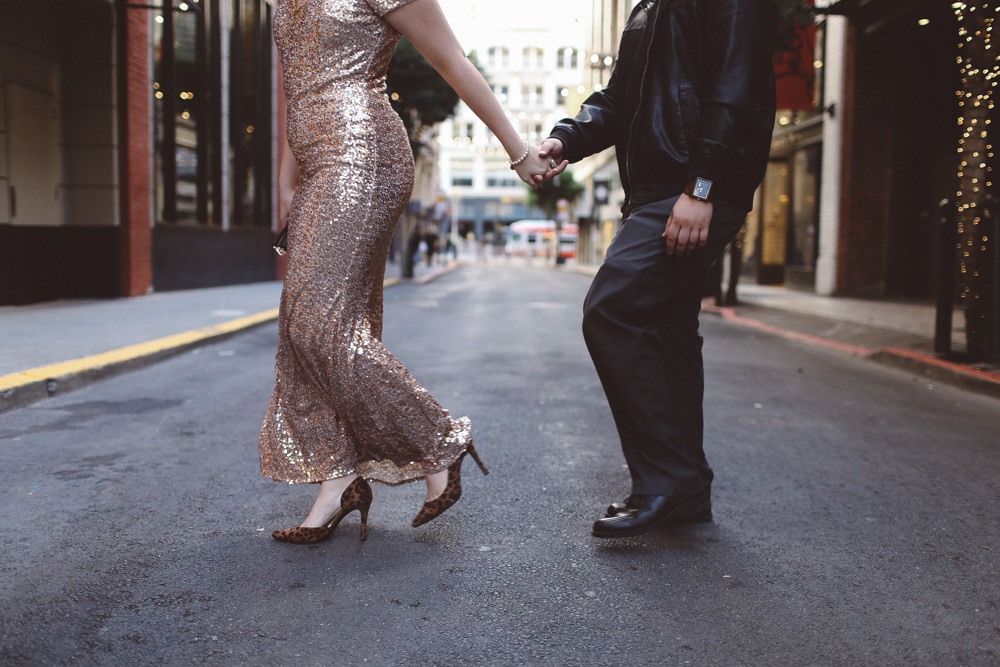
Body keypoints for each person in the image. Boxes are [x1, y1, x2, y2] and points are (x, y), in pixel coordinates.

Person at [260, 0, 566, 544]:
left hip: (364, 156)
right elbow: (298, 87)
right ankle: (338, 484)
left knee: (318, 323)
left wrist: (517, 152)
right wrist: (287, 182)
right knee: (303, 327)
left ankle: (439, 441)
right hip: (315, 160)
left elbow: (452, 62)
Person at [538, 0, 777, 538]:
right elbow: (622, 98)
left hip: (690, 185)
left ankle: (664, 480)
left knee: (612, 310)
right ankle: (685, 489)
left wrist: (704, 185)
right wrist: (566, 139)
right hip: (656, 189)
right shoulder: (649, 5)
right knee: (668, 329)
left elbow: (738, 87)